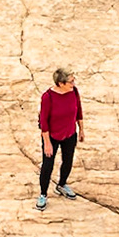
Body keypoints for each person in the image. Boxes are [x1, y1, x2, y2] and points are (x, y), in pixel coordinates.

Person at [37, 68, 84, 210]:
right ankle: (43, 194)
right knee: (48, 165)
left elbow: (78, 111)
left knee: (68, 161)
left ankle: (62, 184)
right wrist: (47, 143)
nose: (73, 84)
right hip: (52, 136)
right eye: (71, 82)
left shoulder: (74, 92)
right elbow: (43, 122)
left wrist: (81, 130)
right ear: (60, 83)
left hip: (70, 134)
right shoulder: (48, 97)